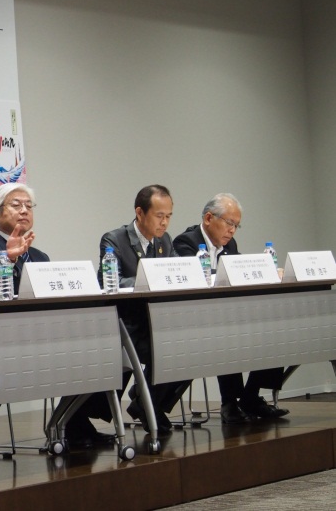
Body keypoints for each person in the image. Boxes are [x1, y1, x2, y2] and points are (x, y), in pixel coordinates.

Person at [0, 183, 116, 449]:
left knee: (94, 350)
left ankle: (73, 421)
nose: (24, 210)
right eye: (16, 205)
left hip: (44, 334)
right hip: (7, 339)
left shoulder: (39, 256)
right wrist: (8, 259)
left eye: (29, 206)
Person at [173, 193, 289, 423]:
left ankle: (251, 396)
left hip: (226, 312)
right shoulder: (185, 243)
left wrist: (266, 271)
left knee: (273, 329)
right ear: (208, 218)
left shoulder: (230, 244)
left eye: (236, 225)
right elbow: (195, 280)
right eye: (229, 223)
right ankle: (229, 402)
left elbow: (238, 271)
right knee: (226, 333)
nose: (232, 230)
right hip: (196, 318)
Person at [96, 184, 190, 433]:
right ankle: (146, 403)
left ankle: (148, 402)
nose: (165, 223)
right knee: (161, 347)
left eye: (169, 216)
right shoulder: (114, 239)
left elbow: (176, 273)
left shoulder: (165, 241)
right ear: (140, 213)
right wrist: (149, 279)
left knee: (189, 347)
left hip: (155, 324)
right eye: (159, 216)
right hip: (125, 324)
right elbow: (109, 282)